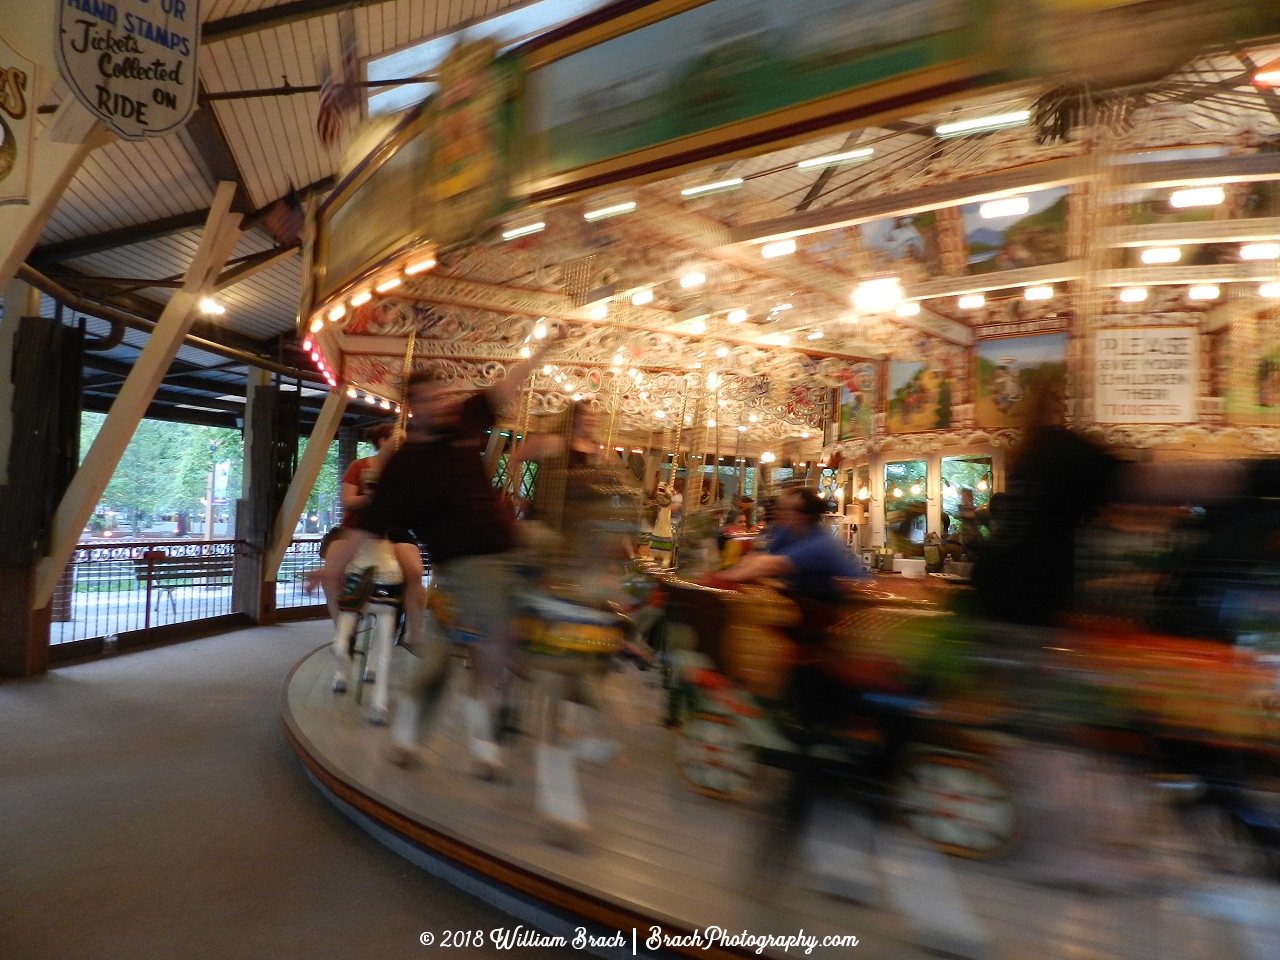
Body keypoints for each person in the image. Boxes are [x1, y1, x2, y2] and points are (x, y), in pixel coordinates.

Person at [312, 337, 556, 775]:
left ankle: (419, 736)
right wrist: (331, 568)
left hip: (506, 545)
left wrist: (541, 352)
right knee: (493, 630)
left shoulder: (463, 424)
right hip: (468, 561)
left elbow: (504, 388)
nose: (440, 404)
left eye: (442, 396)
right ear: (412, 409)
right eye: (429, 399)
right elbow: (365, 525)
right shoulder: (403, 469)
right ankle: (509, 648)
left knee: (549, 546)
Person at [324, 423, 428, 650]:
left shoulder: (407, 471)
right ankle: (342, 629)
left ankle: (414, 631)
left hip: (392, 531)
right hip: (357, 527)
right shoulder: (359, 466)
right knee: (330, 571)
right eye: (399, 441)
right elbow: (348, 500)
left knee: (414, 570)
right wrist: (371, 498)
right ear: (382, 441)